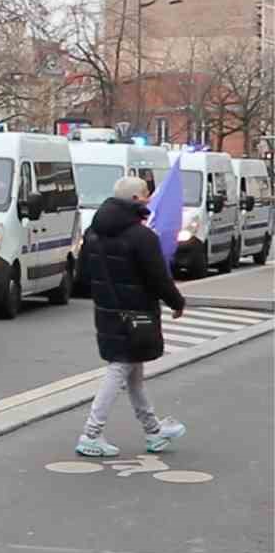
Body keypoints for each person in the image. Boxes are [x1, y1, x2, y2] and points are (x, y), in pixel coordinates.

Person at [76, 175, 188, 457]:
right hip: (137, 311)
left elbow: (83, 273)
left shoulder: (93, 231)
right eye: (147, 194)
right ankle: (91, 433)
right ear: (136, 199)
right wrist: (176, 302)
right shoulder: (142, 236)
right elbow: (159, 277)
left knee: (133, 370)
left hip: (107, 311)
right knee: (120, 368)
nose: (150, 198)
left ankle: (153, 430)